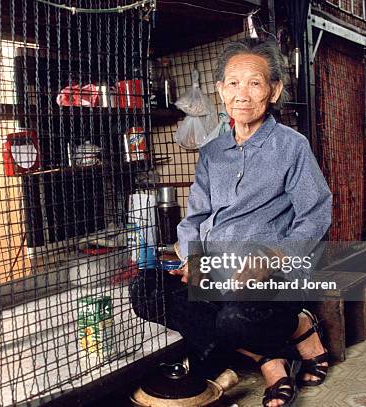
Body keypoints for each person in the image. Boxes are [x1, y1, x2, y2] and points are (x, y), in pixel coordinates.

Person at [130, 38, 332, 407]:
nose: (242, 94)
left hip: (269, 276)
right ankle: (269, 358)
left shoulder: (292, 146)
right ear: (221, 90)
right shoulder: (211, 152)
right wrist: (192, 257)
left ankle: (303, 328)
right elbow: (196, 217)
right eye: (233, 83)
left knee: (235, 317)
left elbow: (316, 214)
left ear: (274, 91)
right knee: (145, 290)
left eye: (254, 82)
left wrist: (272, 257)